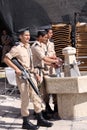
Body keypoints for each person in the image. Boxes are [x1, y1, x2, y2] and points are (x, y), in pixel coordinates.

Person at [3, 27, 53, 130]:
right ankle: (25, 121)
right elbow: (6, 59)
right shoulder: (17, 48)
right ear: (20, 37)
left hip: (31, 75)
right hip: (22, 77)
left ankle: (40, 118)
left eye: (29, 35)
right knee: (25, 99)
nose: (28, 37)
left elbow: (31, 64)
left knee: (36, 96)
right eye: (25, 35)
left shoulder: (29, 47)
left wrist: (36, 73)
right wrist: (16, 69)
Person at [31, 30, 63, 119]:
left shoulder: (43, 45)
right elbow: (44, 58)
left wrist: (53, 64)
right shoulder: (35, 46)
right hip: (38, 72)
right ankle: (41, 112)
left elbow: (46, 59)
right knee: (41, 93)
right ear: (40, 37)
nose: (46, 38)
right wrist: (56, 61)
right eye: (45, 37)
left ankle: (45, 110)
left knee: (46, 91)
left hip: (44, 70)